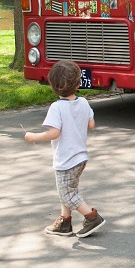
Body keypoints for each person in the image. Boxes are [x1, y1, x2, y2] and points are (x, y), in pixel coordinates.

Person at [24, 60, 105, 238]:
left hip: (66, 160)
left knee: (67, 193)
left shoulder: (57, 107)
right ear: (78, 83)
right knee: (68, 189)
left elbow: (54, 133)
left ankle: (92, 217)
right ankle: (65, 222)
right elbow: (91, 124)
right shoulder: (83, 102)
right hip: (81, 157)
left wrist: (33, 137)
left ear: (53, 86)